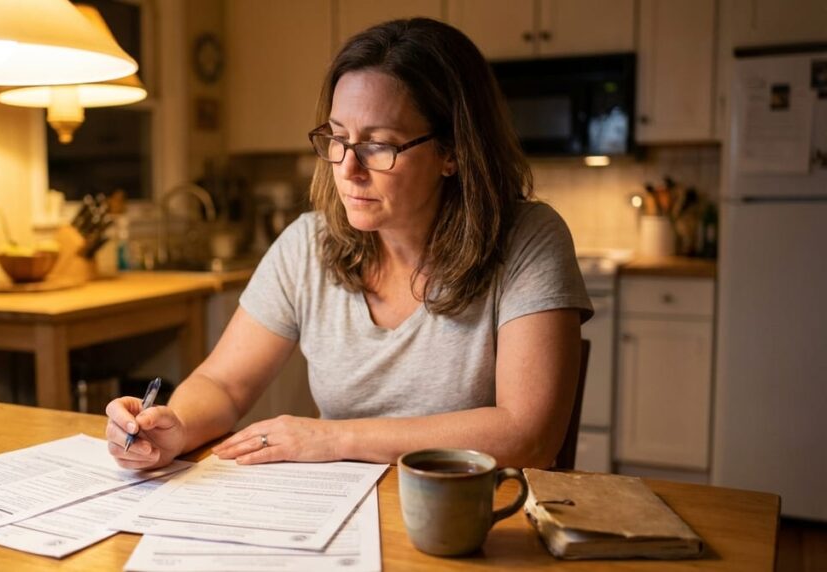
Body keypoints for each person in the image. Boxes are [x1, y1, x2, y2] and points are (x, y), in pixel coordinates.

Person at [105, 18, 592, 470]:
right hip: (342, 515)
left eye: (378, 144)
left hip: (477, 519)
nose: (347, 168)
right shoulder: (307, 244)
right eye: (338, 138)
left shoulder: (529, 238)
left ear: (453, 152)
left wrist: (334, 439)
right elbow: (223, 383)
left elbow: (529, 435)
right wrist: (174, 426)